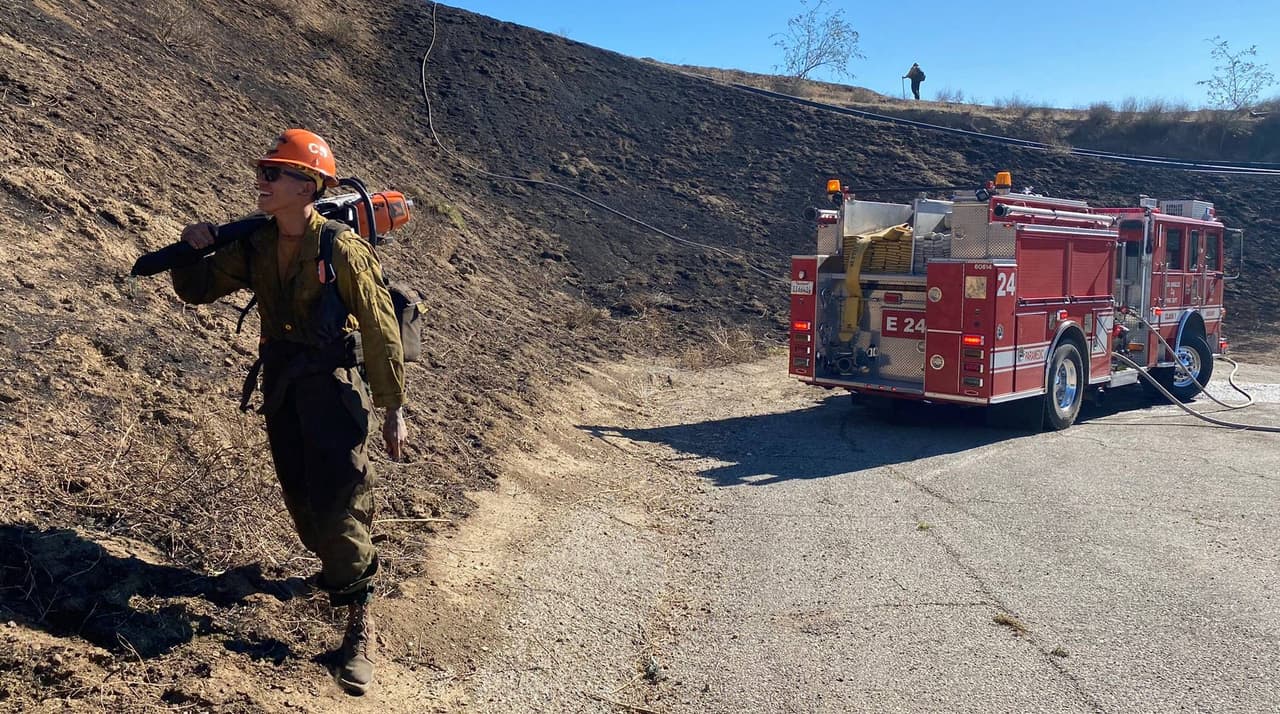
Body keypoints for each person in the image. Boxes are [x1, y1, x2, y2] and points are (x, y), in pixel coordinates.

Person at [171, 129, 407, 696]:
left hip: (329, 389)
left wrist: (393, 406)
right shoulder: (255, 243)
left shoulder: (340, 249)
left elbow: (380, 329)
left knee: (339, 501)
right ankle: (334, 571)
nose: (262, 180)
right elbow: (197, 289)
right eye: (263, 171)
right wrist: (190, 246)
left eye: (275, 173)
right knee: (301, 499)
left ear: (310, 186)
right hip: (282, 386)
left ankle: (359, 624)